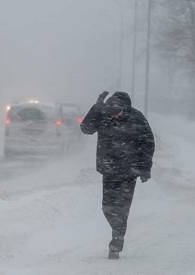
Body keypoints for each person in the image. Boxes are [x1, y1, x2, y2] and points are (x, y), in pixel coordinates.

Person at [80, 91, 155, 260]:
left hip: (129, 172)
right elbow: (86, 129)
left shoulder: (137, 119)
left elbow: (148, 144)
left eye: (116, 112)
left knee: (122, 208)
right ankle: (117, 230)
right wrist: (96, 108)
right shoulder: (104, 114)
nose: (113, 116)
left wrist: (145, 168)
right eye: (111, 112)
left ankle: (117, 240)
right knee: (107, 207)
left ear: (124, 108)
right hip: (109, 170)